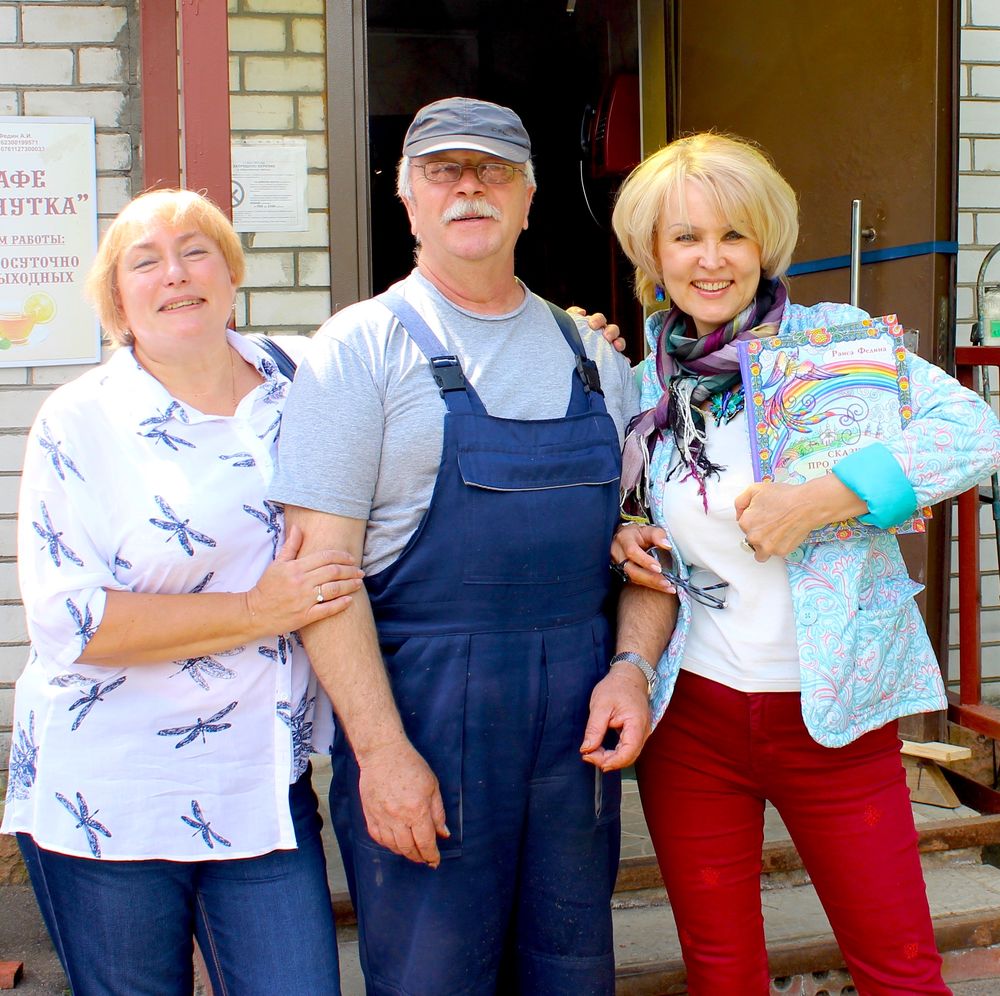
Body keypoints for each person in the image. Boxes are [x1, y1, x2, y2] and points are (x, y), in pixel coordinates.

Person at [606, 131, 1000, 995]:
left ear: (766, 245)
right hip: (694, 719)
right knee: (721, 972)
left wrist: (824, 498)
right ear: (652, 252)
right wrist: (621, 531)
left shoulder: (843, 346)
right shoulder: (641, 387)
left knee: (898, 969)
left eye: (734, 236)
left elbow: (974, 433)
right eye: (687, 237)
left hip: (835, 714)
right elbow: (623, 508)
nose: (712, 260)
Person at [269, 96, 647, 995]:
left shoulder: (594, 359)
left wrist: (632, 664)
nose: (469, 187)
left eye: (494, 171)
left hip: (572, 736)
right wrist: (384, 754)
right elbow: (318, 578)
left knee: (570, 974)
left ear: (528, 198)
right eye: (444, 170)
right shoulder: (360, 350)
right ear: (407, 198)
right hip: (425, 726)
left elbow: (644, 545)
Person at [1, 188, 365, 995]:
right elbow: (73, 621)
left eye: (196, 251)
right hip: (113, 790)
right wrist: (254, 612)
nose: (176, 273)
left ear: (231, 274)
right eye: (146, 260)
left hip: (262, 786)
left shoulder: (303, 373)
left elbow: (423, 383)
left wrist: (572, 334)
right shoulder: (81, 421)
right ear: (117, 300)